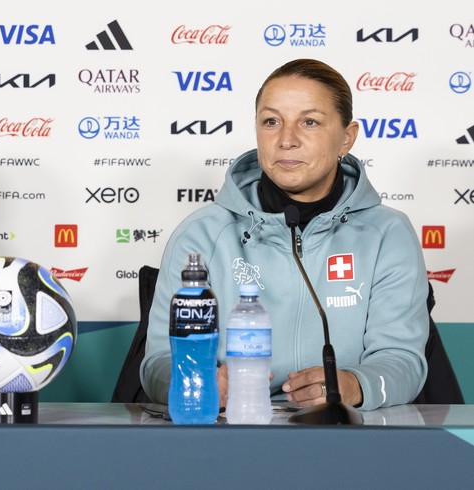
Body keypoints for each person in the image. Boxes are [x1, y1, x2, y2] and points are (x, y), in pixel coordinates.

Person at [140, 59, 428, 411]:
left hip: (347, 436)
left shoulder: (388, 234)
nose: (286, 140)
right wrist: (197, 381)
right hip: (230, 433)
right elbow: (158, 365)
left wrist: (353, 385)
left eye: (309, 122)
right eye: (271, 121)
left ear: (347, 137)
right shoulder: (202, 234)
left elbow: (403, 361)